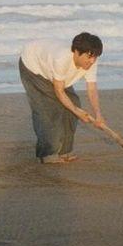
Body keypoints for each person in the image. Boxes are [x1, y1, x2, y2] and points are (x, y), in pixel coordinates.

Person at [18, 32, 107, 164]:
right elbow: (59, 92)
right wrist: (77, 111)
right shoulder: (61, 59)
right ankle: (48, 154)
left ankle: (65, 151)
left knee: (73, 104)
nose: (92, 61)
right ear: (76, 52)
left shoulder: (91, 61)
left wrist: (98, 114)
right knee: (49, 110)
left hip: (53, 71)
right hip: (33, 66)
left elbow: (92, 89)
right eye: (89, 56)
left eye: (95, 56)